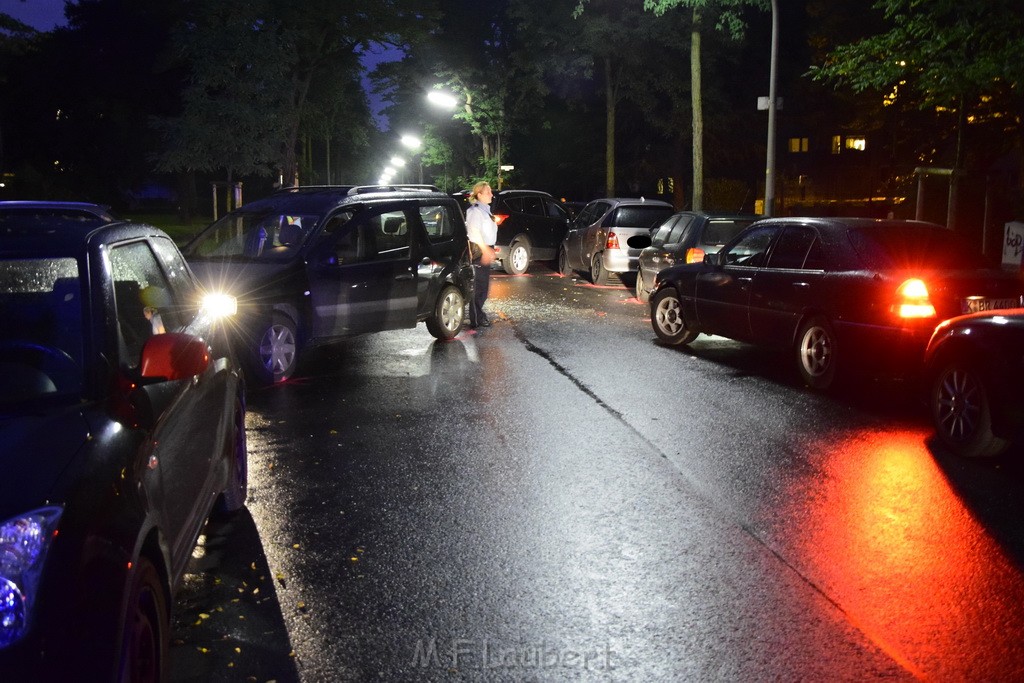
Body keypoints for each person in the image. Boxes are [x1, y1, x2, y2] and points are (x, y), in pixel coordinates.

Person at [465, 180, 497, 328]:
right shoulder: (475, 211)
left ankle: (478, 315)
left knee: (482, 287)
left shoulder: (484, 210)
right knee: (478, 287)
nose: (491, 194)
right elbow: (474, 233)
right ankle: (476, 317)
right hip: (478, 251)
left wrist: (491, 248)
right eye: (488, 192)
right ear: (479, 194)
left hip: (484, 248)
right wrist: (485, 250)